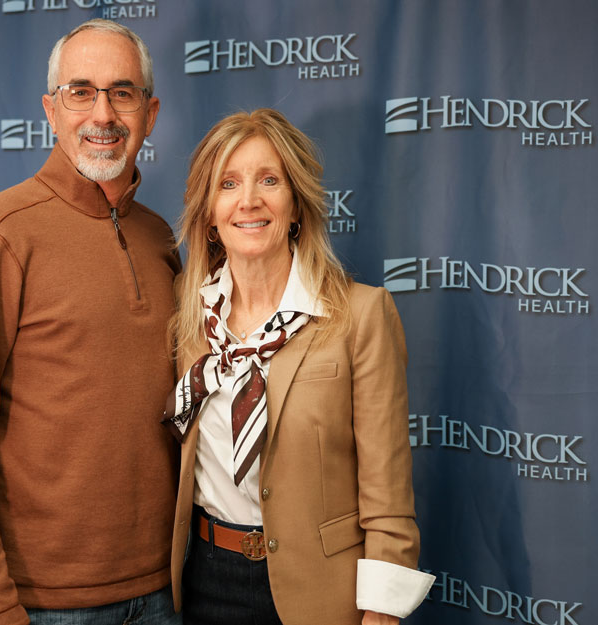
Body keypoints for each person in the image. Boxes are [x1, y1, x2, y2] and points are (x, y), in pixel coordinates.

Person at [0, 19, 181, 625]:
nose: (102, 114)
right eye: (80, 91)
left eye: (122, 92)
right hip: (44, 607)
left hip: (166, 591)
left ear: (150, 113)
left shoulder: (160, 237)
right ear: (50, 111)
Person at [162, 109, 436, 625]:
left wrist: (382, 610)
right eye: (228, 184)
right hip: (204, 581)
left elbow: (387, 492)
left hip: (322, 592)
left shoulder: (361, 315)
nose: (249, 200)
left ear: (296, 207)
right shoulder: (188, 311)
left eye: (269, 180)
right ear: (209, 216)